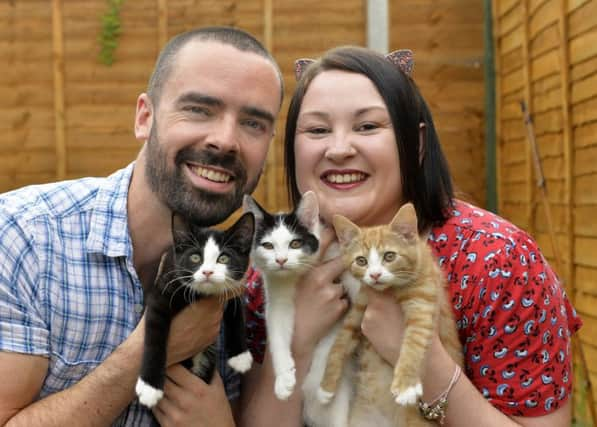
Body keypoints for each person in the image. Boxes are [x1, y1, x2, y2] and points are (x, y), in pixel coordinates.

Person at [239, 46, 582, 427]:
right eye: (317, 130)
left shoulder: (496, 261)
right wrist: (295, 340)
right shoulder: (274, 267)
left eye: (367, 126)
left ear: (415, 144)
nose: (338, 149)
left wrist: (424, 360)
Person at [0, 26, 283, 426]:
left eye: (253, 123)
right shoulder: (22, 236)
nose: (225, 140)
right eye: (200, 109)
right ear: (145, 117)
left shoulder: (249, 282)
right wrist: (151, 348)